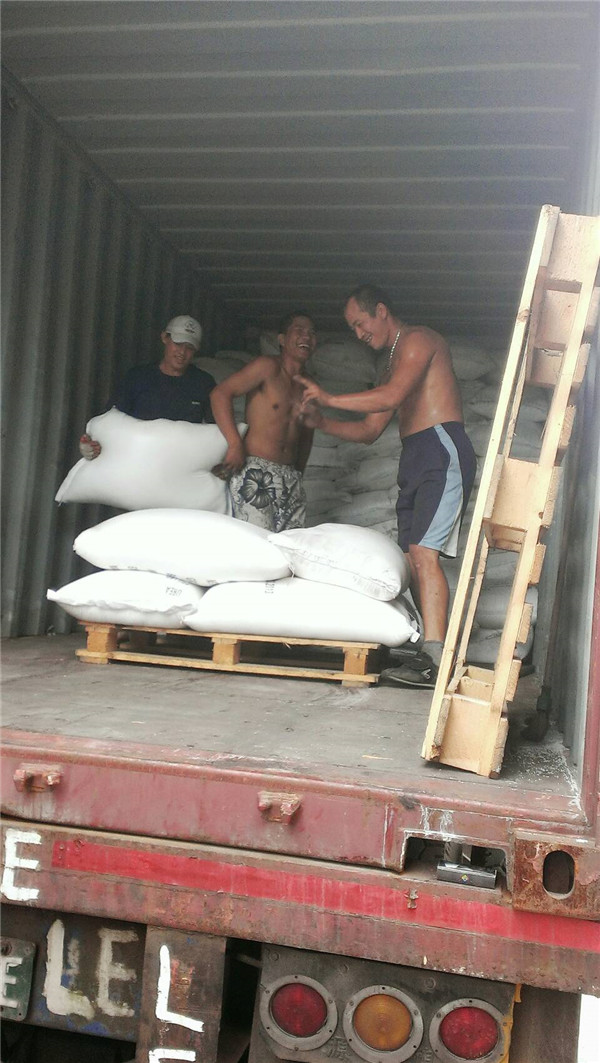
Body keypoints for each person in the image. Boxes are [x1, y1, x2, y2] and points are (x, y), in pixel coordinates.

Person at [297, 284, 476, 688]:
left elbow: (391, 397)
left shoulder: (418, 340)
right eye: (352, 329)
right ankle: (430, 650)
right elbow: (369, 431)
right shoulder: (388, 364)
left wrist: (329, 398)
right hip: (415, 454)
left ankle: (437, 657)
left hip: (440, 447)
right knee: (411, 558)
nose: (359, 334)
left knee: (424, 553)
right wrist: (321, 422)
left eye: (360, 323)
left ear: (380, 310)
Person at [209, 311, 317, 532]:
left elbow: (307, 433)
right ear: (282, 339)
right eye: (299, 330)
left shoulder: (309, 385)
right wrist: (235, 444)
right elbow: (220, 394)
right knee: (257, 545)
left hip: (290, 477)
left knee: (290, 547)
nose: (306, 336)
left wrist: (299, 473)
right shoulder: (267, 367)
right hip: (257, 472)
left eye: (312, 333)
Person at [79, 315, 216, 459]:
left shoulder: (204, 383)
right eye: (178, 343)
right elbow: (111, 420)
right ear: (164, 338)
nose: (182, 352)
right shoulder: (138, 377)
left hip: (181, 460)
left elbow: (217, 430)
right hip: (136, 458)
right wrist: (92, 444)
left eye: (189, 348)